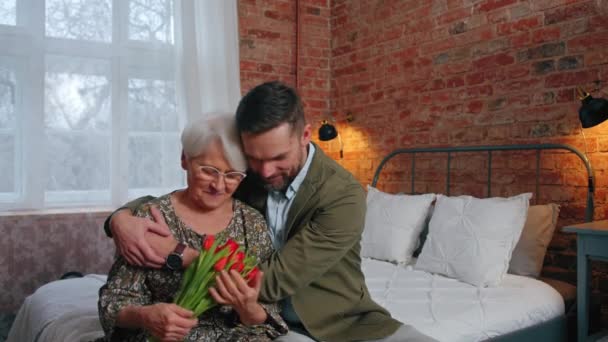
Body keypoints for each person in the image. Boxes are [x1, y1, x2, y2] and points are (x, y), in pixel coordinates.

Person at [106, 81, 437, 342]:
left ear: (305, 136)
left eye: (278, 157)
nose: (264, 171)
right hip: (263, 323)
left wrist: (179, 254)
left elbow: (271, 281)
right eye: (254, 158)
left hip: (336, 322)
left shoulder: (344, 196)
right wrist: (120, 218)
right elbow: (189, 192)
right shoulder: (246, 174)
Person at [96, 114, 287, 342]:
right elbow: (113, 302)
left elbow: (265, 313)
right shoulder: (152, 217)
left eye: (232, 175)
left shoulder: (252, 223)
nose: (219, 186)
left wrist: (248, 309)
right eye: (208, 170)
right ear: (184, 159)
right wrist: (146, 316)